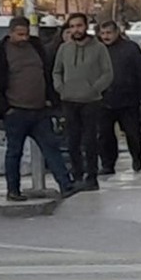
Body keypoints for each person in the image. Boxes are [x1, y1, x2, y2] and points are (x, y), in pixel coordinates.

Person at [0, 13, 73, 200]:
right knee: (14, 152)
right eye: (19, 34)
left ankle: (66, 185)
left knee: (51, 147)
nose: (23, 38)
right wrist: (5, 108)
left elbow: (47, 73)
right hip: (15, 111)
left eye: (25, 34)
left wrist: (51, 100)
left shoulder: (36, 47)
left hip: (40, 110)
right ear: (10, 33)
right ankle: (13, 190)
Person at [52, 12, 112, 192]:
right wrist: (61, 88)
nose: (75, 30)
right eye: (72, 26)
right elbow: (57, 71)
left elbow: (107, 73)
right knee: (72, 140)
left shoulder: (99, 48)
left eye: (79, 26)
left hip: (91, 101)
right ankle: (77, 175)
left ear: (86, 26)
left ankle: (91, 177)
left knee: (90, 140)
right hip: (69, 100)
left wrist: (94, 88)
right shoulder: (64, 49)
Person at [96, 18, 141, 175]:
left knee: (132, 132)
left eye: (109, 33)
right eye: (103, 33)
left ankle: (136, 157)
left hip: (128, 100)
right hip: (103, 99)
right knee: (105, 135)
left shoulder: (130, 48)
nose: (106, 36)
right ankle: (108, 164)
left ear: (116, 33)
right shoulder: (97, 49)